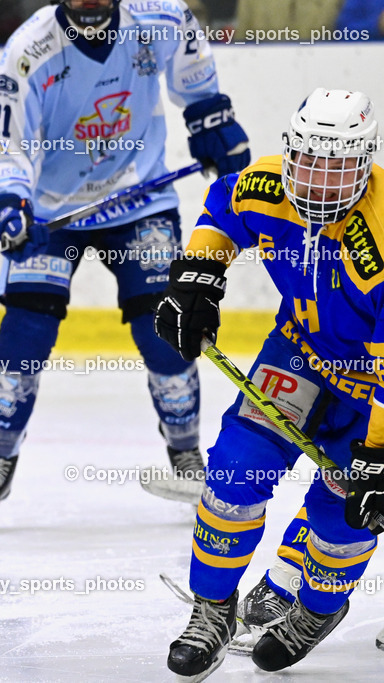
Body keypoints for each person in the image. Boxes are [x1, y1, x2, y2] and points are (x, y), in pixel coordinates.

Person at [0, 0, 251, 532]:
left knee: (165, 328)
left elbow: (193, 67)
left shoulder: (160, 19)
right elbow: (7, 143)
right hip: (52, 212)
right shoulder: (29, 50)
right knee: (25, 330)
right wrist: (9, 200)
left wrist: (210, 115)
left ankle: (186, 453)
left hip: (141, 202)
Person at [154, 87, 382, 677]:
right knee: (235, 472)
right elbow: (219, 213)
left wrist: (381, 459)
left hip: (371, 388)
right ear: (289, 152)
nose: (317, 182)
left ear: (366, 164)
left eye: (337, 168)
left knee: (344, 518)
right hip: (298, 354)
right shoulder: (267, 184)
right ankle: (212, 607)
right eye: (307, 161)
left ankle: (318, 608)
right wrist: (196, 280)